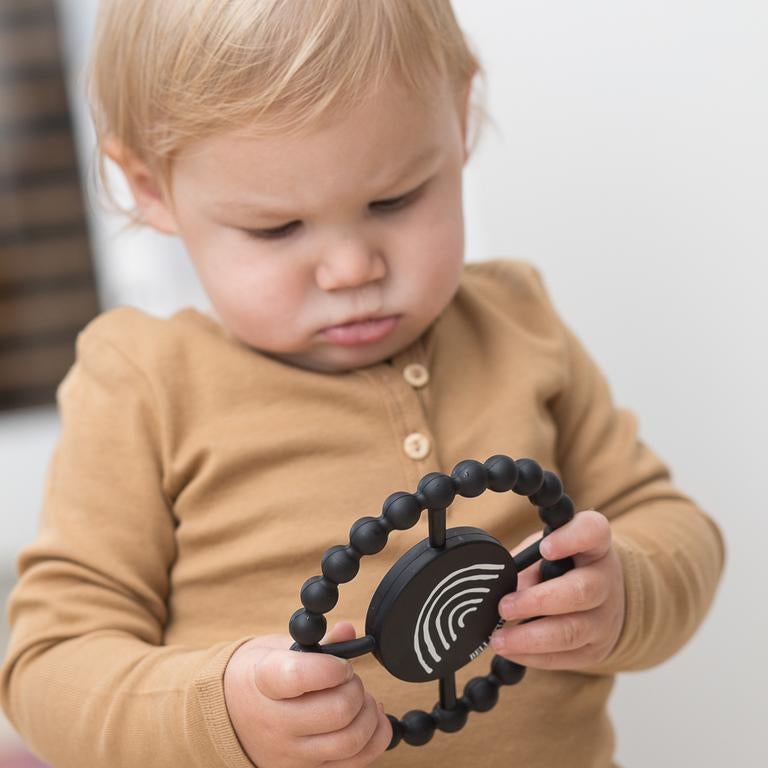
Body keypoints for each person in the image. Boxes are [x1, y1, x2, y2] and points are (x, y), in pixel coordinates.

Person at [0, 1, 724, 767]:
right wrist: (220, 713)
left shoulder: (519, 323)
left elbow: (671, 524)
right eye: (276, 229)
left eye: (395, 200)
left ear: (459, 118)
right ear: (151, 188)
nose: (351, 270)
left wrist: (624, 591)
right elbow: (47, 669)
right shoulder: (144, 386)